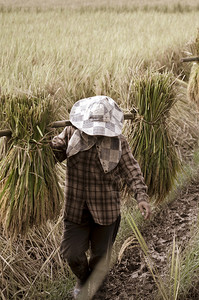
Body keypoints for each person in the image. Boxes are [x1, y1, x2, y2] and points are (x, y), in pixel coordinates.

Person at [51, 96, 152, 299]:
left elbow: (131, 170)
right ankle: (85, 280)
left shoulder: (118, 141)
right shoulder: (71, 133)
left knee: (100, 257)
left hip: (106, 211)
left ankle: (95, 287)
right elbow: (53, 151)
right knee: (71, 254)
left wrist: (141, 196)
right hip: (76, 209)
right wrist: (34, 143)